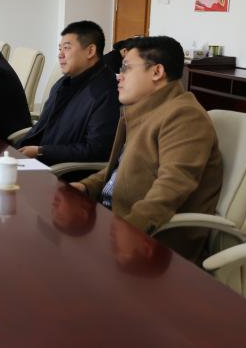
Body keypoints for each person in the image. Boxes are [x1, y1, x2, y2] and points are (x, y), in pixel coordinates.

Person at [73, 36, 222, 261]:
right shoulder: (146, 110)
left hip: (151, 245)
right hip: (115, 221)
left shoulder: (184, 116)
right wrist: (85, 187)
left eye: (126, 68)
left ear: (156, 72)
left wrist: (123, 231)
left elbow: (170, 188)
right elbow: (122, 170)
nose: (119, 76)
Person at [16, 21, 120, 165]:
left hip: (62, 171)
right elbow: (43, 127)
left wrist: (41, 151)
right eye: (60, 49)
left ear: (90, 51)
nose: (60, 55)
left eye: (66, 48)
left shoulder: (106, 92)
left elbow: (96, 150)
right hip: (37, 161)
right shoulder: (63, 83)